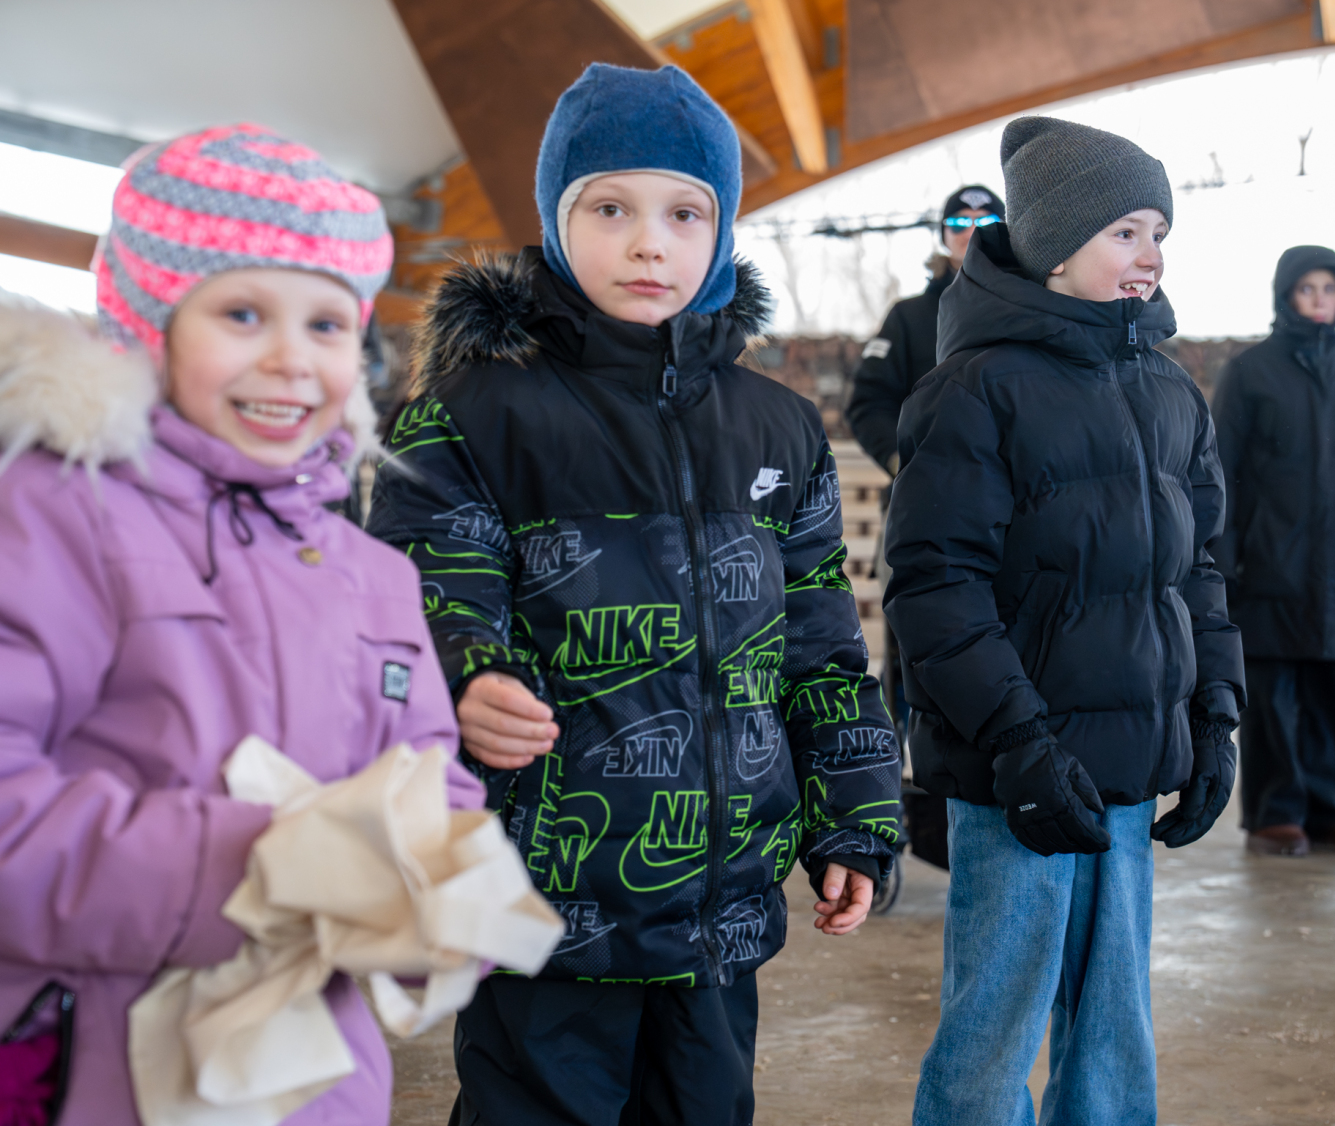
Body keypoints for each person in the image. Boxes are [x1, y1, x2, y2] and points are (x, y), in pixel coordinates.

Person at [365, 64, 900, 1126]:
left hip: (720, 908)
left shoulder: (778, 427)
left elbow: (820, 646)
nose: (649, 243)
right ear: (557, 223)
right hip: (541, 900)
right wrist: (466, 679)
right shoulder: (475, 410)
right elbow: (425, 584)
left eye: (684, 214)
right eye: (610, 209)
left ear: (722, 231)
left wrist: (854, 816)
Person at [0, 124, 483, 1126]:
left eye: (327, 324)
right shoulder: (53, 518)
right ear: (148, 324)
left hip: (312, 1083)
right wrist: (256, 866)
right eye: (243, 313)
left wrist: (445, 890)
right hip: (91, 1073)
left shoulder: (373, 574)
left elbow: (428, 782)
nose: (291, 359)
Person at [885, 116, 1244, 1126]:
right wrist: (1018, 741)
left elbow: (1198, 567)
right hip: (1017, 774)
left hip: (1129, 765)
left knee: (1114, 1020)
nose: (1151, 254)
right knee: (996, 1018)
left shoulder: (1170, 390)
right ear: (1053, 243)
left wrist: (1216, 712)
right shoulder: (975, 391)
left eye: (1158, 233)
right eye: (1126, 231)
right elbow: (936, 584)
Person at [1213, 247, 1335, 857]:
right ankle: (1275, 814)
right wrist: (1221, 561)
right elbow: (1221, 472)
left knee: (1326, 693)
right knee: (1272, 695)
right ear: (1286, 295)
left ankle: (1328, 812)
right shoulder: (1250, 371)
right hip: (1268, 561)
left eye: (1329, 288)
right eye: (1307, 288)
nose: (1319, 299)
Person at [846, 184, 1004, 476]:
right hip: (932, 490)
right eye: (958, 222)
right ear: (943, 234)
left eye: (986, 221)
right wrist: (902, 462)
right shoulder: (907, 317)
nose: (971, 231)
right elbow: (870, 402)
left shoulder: (1033, 309)